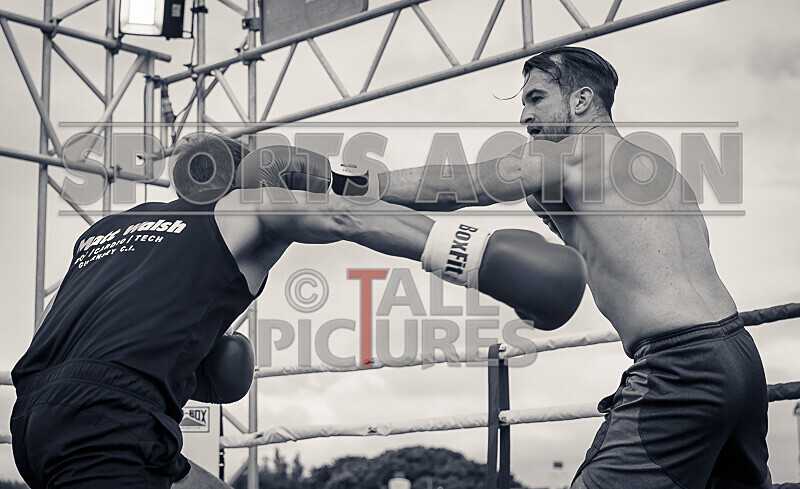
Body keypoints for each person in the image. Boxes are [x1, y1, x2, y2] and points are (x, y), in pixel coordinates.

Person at [9, 134, 587, 489]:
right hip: (110, 422)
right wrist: (481, 257)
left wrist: (201, 360)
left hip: (36, 418)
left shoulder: (108, 229)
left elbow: (110, 338)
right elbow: (343, 216)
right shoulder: (240, 208)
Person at [357, 47, 771, 489]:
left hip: (681, 367)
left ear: (581, 100)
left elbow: (463, 184)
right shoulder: (661, 171)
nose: (524, 116)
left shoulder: (574, 154)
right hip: (740, 356)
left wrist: (360, 184)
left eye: (536, 98)